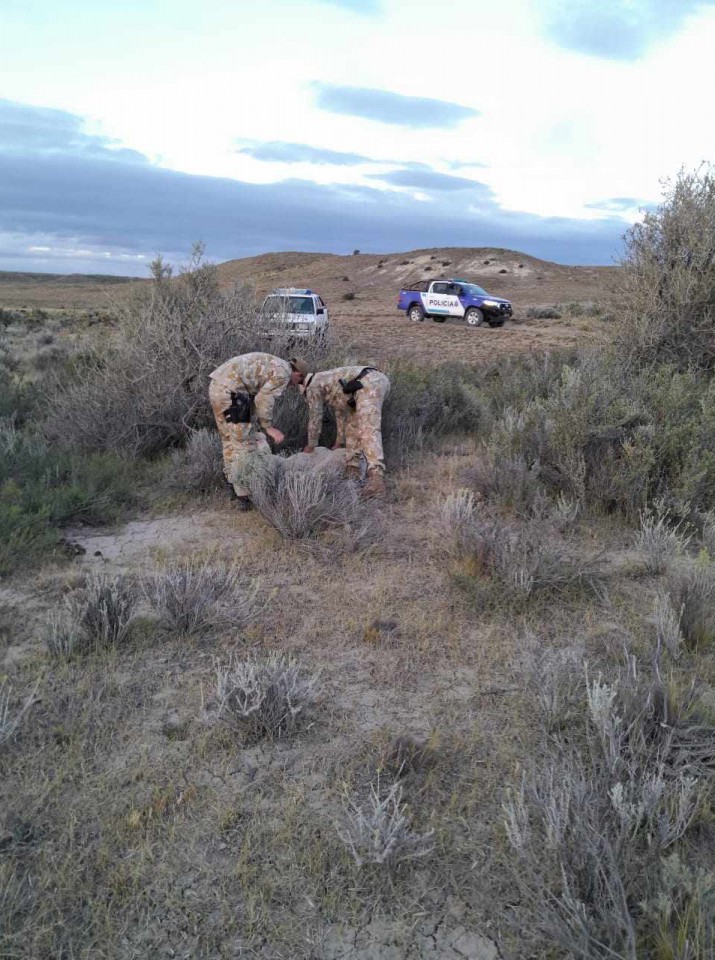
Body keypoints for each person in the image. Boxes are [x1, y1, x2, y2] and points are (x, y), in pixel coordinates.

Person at [209, 352, 308, 508]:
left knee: (229, 439)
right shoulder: (284, 373)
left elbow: (255, 396)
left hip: (217, 386)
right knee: (245, 443)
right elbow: (264, 399)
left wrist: (253, 419)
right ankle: (245, 496)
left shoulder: (276, 364)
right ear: (297, 373)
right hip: (233, 393)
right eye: (299, 380)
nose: (294, 385)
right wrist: (268, 427)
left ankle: (232, 484)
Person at [301, 365, 390, 498]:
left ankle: (376, 479)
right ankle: (352, 471)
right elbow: (341, 414)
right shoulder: (327, 382)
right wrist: (339, 442)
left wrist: (311, 445)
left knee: (368, 429)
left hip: (368, 383)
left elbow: (315, 417)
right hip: (367, 384)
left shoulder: (312, 385)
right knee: (352, 427)